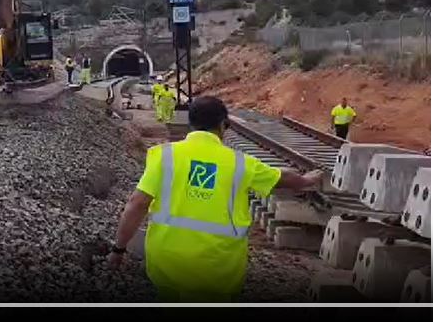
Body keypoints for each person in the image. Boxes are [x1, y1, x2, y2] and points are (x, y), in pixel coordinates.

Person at [107, 96, 324, 301]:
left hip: (167, 261)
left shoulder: (164, 155)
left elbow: (137, 203)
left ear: (190, 123)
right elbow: (281, 177)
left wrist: (119, 249)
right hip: (218, 265)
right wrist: (305, 180)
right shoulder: (241, 163)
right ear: (223, 125)